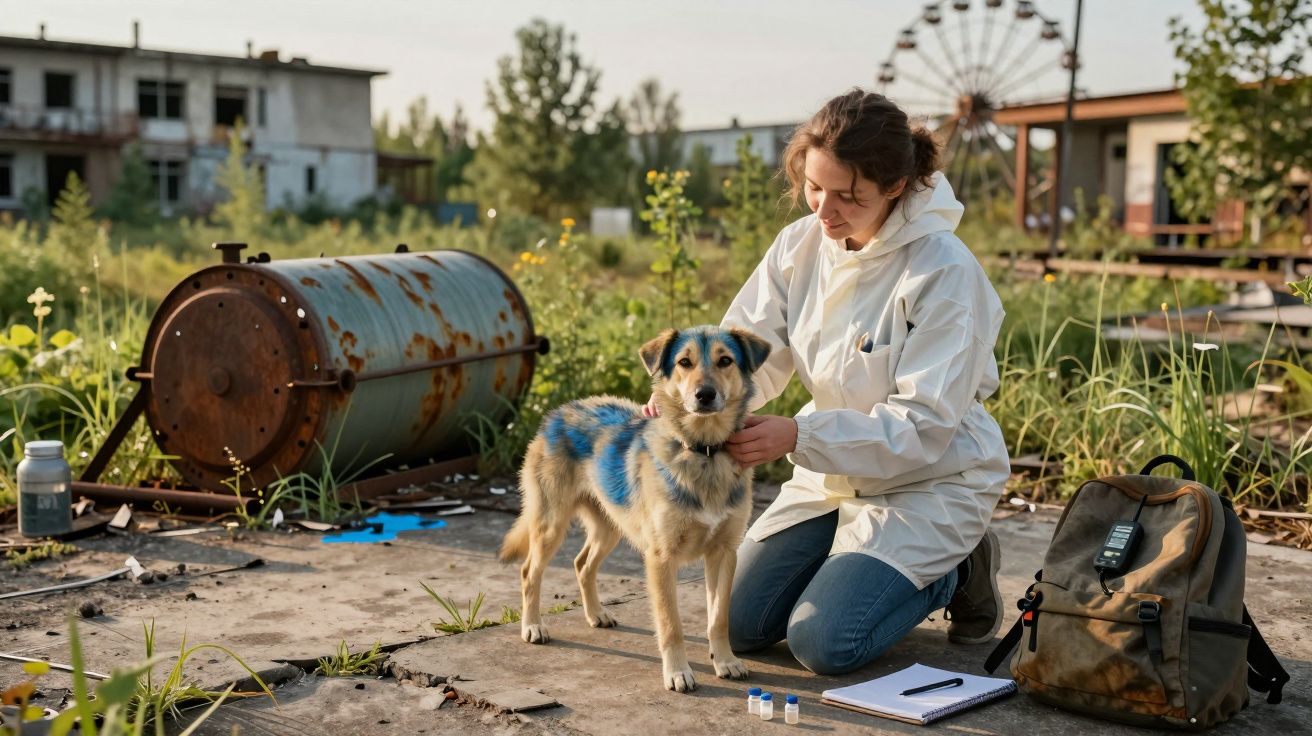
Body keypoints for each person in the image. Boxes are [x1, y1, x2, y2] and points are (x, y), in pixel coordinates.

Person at [647, 89, 1010, 675]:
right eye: (815, 186)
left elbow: (923, 426)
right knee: (737, 626)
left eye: (848, 195)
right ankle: (853, 571)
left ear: (896, 187)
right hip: (830, 477)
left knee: (824, 642)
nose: (822, 209)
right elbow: (749, 355)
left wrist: (796, 435)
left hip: (929, 482)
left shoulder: (943, 271)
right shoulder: (800, 245)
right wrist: (688, 401)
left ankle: (958, 569)